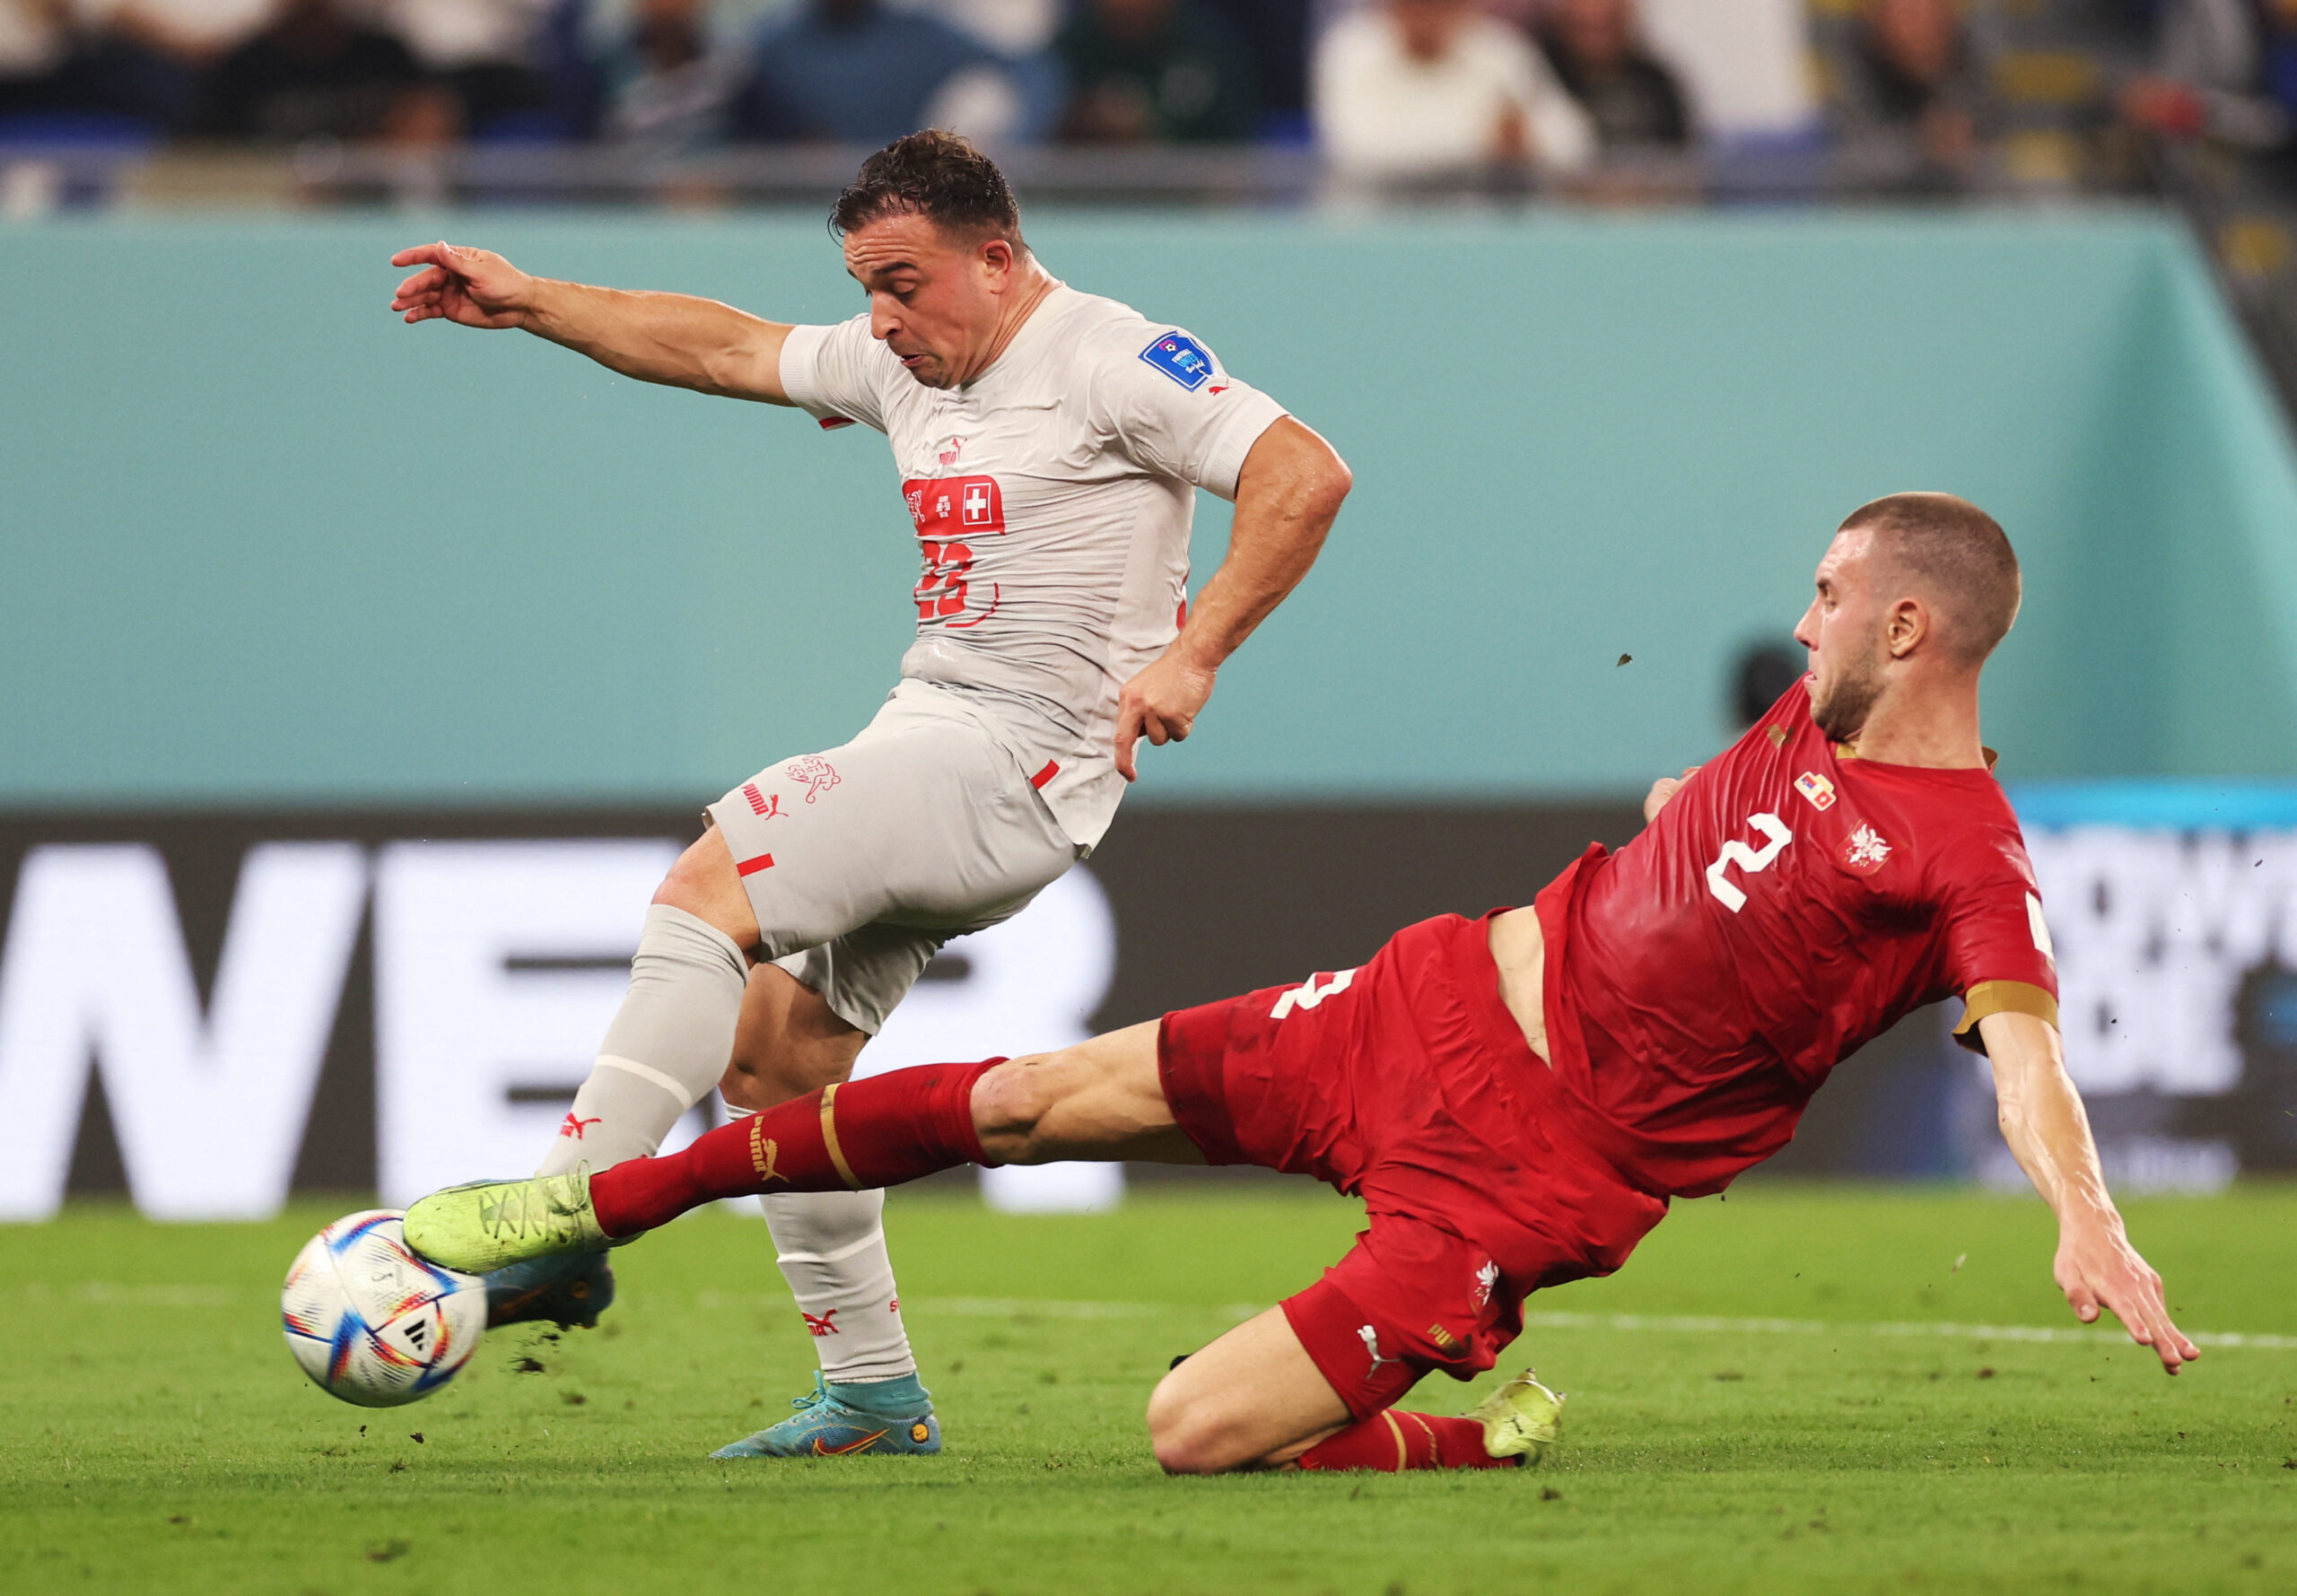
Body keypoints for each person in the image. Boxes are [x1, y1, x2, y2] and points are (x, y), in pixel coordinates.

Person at [406, 493, 2199, 1473]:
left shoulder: (1967, 854)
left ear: (1907, 626)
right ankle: (596, 1203)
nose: (1796, 620)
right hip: (1412, 1005)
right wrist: (1667, 840)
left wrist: (2084, 1218)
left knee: (1190, 1430)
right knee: (1025, 1096)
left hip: (1524, 1174)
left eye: (1823, 595)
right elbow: (1695, 826)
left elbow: (2020, 1051)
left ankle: (1469, 1440)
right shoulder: (1799, 726)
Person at [384, 130, 1351, 1460]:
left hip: (1014, 762)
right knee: (778, 1057)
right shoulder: (910, 363)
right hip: (939, 735)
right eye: (868, 289)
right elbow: (721, 346)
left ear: (998, 257)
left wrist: (1196, 652)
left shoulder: (1113, 358)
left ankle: (561, 1219)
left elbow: (1306, 471)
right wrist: (532, 298)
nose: (884, 319)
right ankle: (876, 1397)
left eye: (906, 283)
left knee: (710, 879)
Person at [1313, 0, 1594, 190]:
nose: (1429, 16)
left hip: (1479, 235)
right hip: (1372, 233)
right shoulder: (1351, 50)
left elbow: (1576, 142)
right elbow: (1359, 149)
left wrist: (1530, 138)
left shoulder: (1501, 50)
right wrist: (1486, 141)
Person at [1054, 0, 1260, 144]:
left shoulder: (1211, 47)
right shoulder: (1069, 50)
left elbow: (1236, 153)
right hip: (1084, 194)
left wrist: (1150, 129)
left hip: (1188, 194)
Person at [1533, 0, 1689, 153]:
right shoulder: (1537, 76)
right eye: (1585, 26)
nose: (1594, 40)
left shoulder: (1657, 84)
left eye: (1604, 26)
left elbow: (1682, 158)